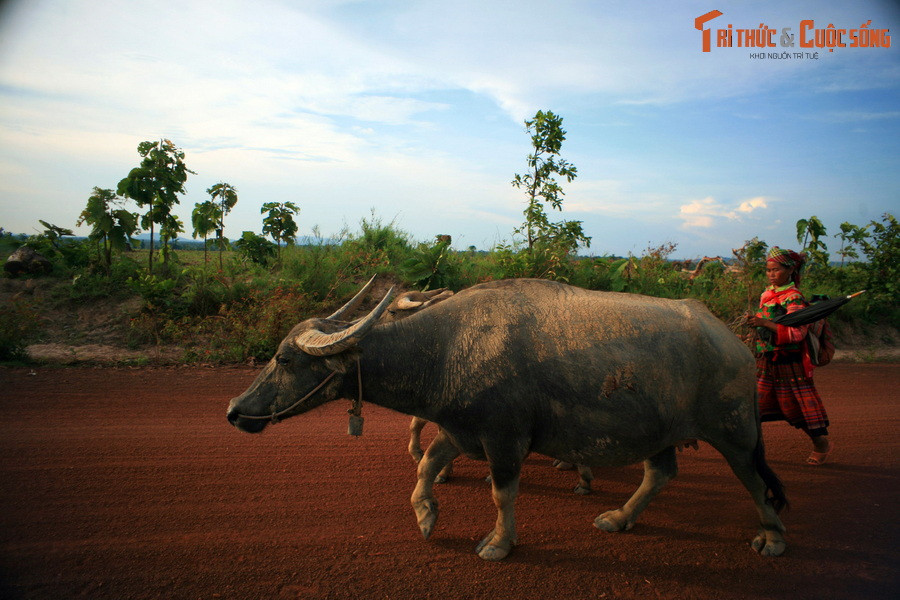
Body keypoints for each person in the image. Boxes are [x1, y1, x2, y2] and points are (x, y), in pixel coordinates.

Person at [746, 247, 832, 465]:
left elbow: (797, 333)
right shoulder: (767, 293)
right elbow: (765, 323)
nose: (771, 274)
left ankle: (821, 444)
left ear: (790, 270)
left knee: (797, 409)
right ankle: (752, 452)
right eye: (768, 270)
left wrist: (764, 323)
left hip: (789, 364)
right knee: (754, 405)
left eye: (775, 270)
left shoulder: (793, 298)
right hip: (766, 360)